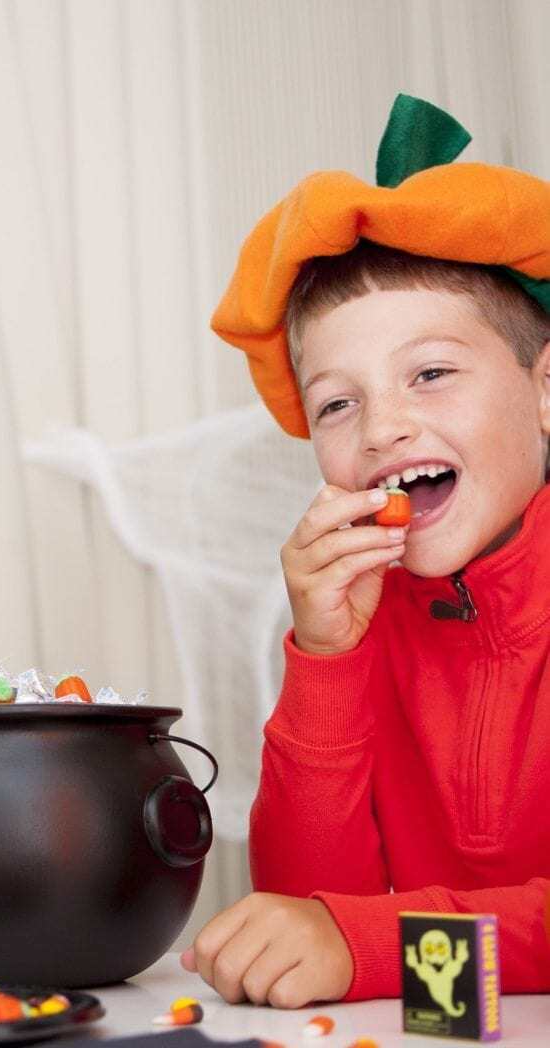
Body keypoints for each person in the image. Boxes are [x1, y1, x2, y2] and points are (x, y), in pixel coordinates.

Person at [179, 94, 550, 1007]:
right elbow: (307, 913)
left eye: (430, 373)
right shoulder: (361, 614)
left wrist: (370, 947)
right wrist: (328, 660)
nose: (383, 427)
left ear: (546, 393)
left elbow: (347, 939)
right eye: (337, 404)